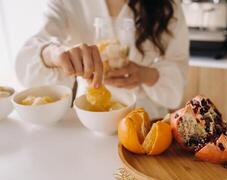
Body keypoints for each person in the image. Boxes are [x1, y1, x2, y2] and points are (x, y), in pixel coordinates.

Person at [15, 0, 189, 119]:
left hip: (148, 119)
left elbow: (178, 71)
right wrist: (54, 54)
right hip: (90, 118)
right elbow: (31, 54)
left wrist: (145, 75)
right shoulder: (67, 2)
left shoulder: (168, 7)